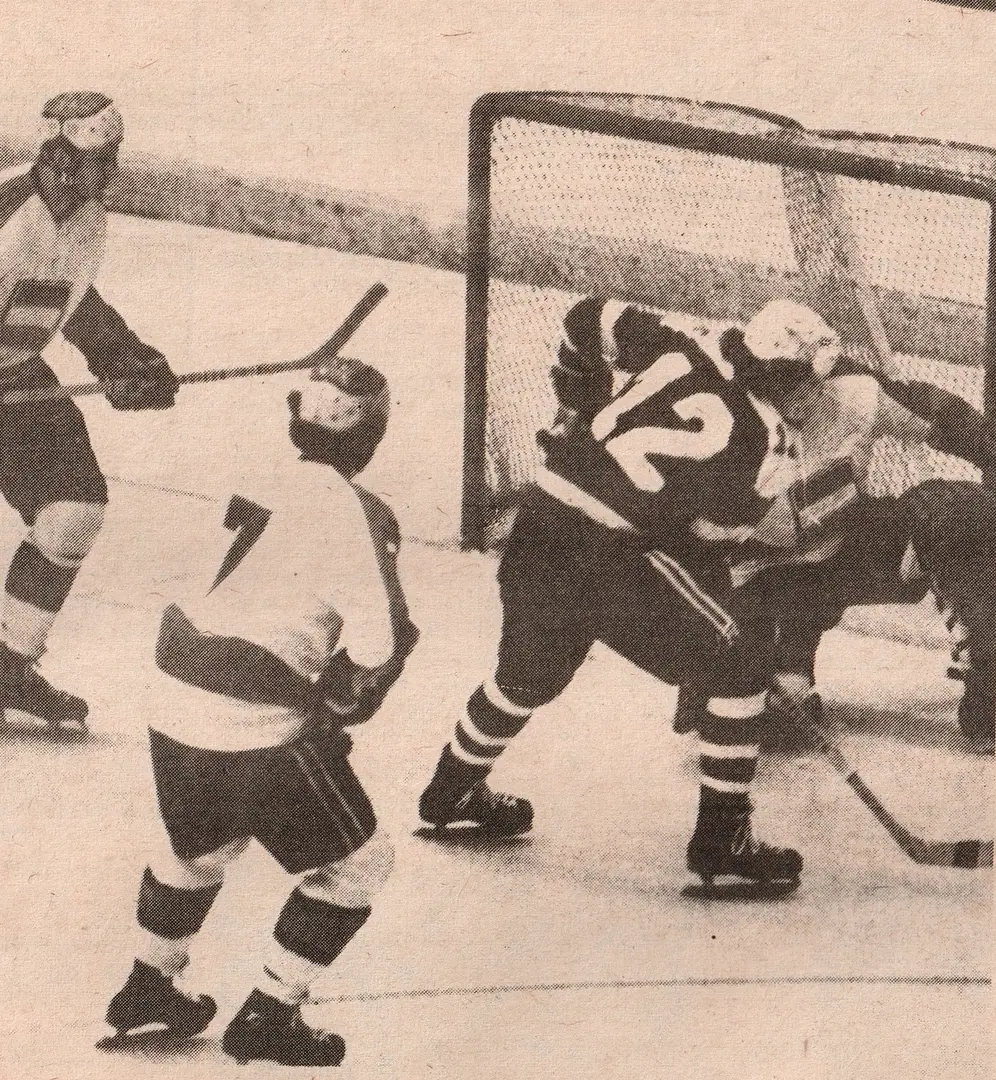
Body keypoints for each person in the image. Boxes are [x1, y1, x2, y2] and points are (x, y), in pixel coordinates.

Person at [419, 295, 809, 893]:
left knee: (527, 674)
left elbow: (588, 315)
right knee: (746, 650)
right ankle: (723, 836)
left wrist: (583, 406)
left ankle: (451, 789)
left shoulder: (680, 344)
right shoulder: (769, 437)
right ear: (793, 377)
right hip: (610, 560)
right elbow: (715, 535)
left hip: (539, 525)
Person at [102, 358, 418, 1067]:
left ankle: (148, 985)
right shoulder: (356, 512)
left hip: (168, 693)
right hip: (246, 721)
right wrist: (336, 714)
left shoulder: (248, 475)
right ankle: (272, 1013)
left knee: (202, 850)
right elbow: (378, 647)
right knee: (359, 865)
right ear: (373, 440)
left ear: (293, 420)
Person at [675, 300, 996, 754]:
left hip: (846, 551)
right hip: (756, 582)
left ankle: (987, 665)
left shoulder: (854, 393)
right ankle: (770, 674)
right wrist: (709, 651)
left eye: (809, 380)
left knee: (955, 508)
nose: (800, 396)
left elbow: (951, 420)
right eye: (781, 382)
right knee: (773, 722)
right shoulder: (720, 423)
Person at [0, 90, 178, 731]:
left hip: (13, 376)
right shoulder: (7, 213)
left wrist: (123, 358)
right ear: (54, 158)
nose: (107, 173)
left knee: (74, 510)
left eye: (111, 158)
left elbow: (64, 294)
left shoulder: (85, 217)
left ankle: (9, 667)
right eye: (95, 159)